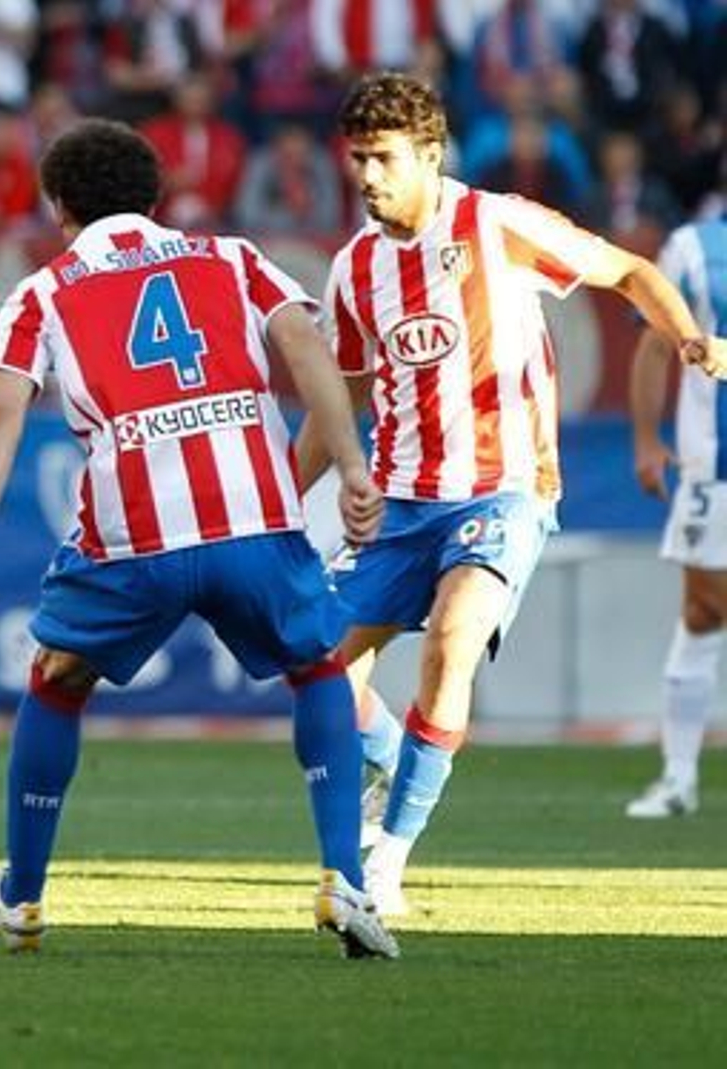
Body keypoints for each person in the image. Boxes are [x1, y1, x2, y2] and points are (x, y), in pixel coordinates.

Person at [0, 117, 398, 959]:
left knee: (57, 680)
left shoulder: (45, 290)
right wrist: (352, 466)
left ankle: (22, 897)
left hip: (136, 536)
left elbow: (1, 414)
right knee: (318, 667)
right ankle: (343, 878)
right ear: (156, 196)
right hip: (255, 517)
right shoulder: (232, 258)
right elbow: (306, 345)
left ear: (58, 205)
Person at [299, 71, 727, 916]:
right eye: (358, 159)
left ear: (431, 154)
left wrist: (688, 336)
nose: (368, 177)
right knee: (317, 673)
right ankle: (389, 758)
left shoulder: (498, 224)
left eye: (384, 158)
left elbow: (629, 271)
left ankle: (387, 862)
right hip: (400, 499)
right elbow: (341, 393)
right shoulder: (354, 269)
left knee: (452, 637)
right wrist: (278, 498)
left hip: (503, 486)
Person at [625, 214, 727, 818]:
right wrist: (645, 438)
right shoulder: (692, 247)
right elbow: (654, 342)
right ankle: (679, 776)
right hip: (711, 466)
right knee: (704, 610)